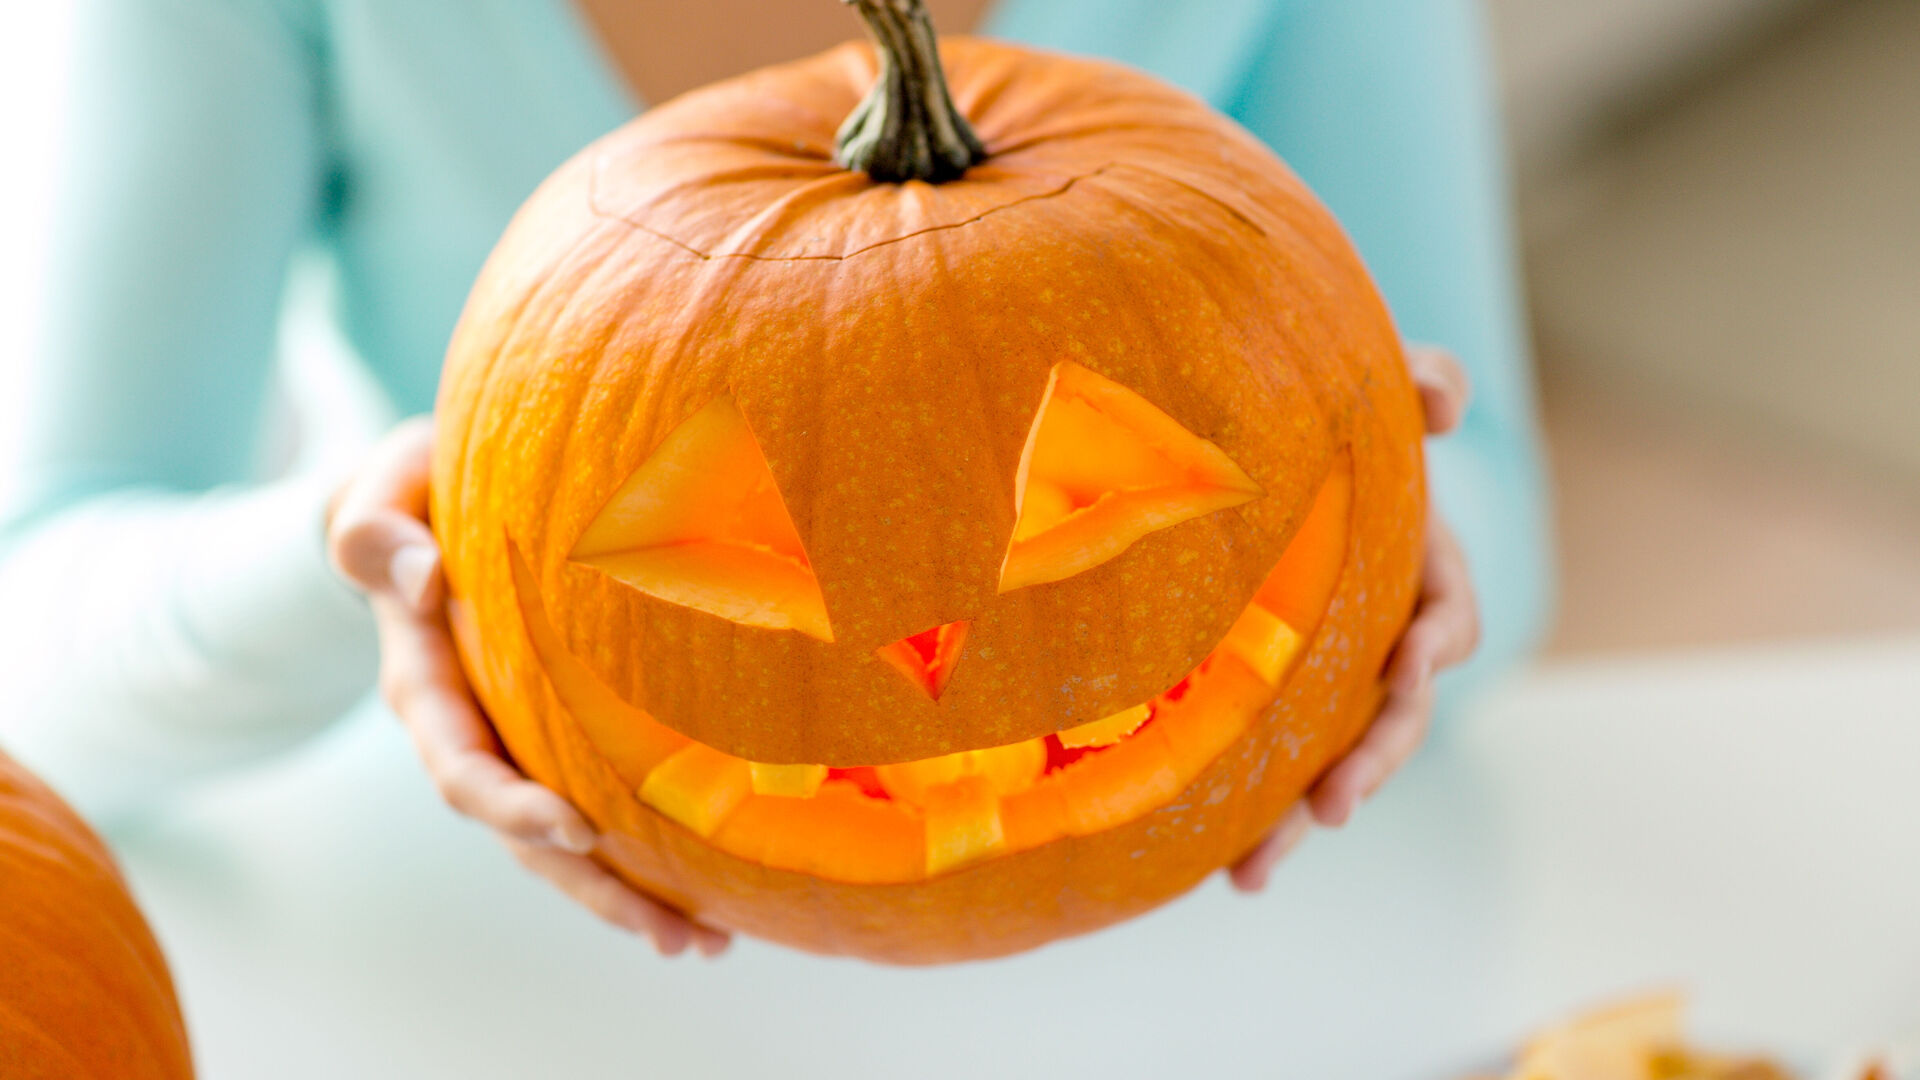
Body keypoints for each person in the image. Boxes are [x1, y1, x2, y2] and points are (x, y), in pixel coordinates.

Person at [0, 0, 1548, 958]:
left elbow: (1474, 490)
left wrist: (1403, 544)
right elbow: (36, 631)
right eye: (758, 548)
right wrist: (388, 547)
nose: (928, 647)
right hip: (487, 964)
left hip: (1261, 970)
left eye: (1090, 506)